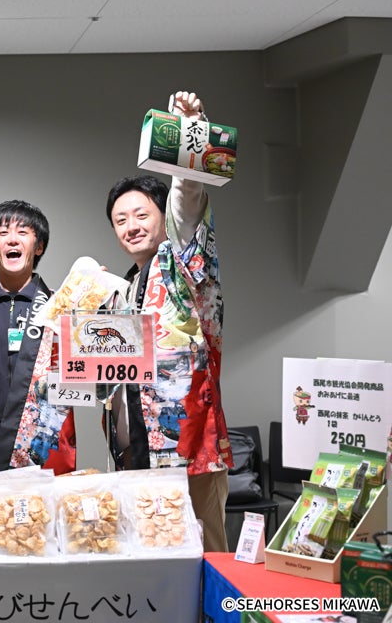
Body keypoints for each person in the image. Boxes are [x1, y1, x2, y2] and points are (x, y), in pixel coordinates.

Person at [105, 91, 232, 552]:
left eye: (141, 214)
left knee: (203, 555)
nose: (131, 226)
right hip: (133, 450)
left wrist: (187, 135)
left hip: (188, 447)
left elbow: (188, 202)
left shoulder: (181, 263)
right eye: (120, 220)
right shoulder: (122, 290)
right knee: (147, 562)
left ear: (163, 219)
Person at [0, 200, 76, 472]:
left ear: (38, 246)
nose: (12, 239)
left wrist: (97, 309)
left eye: (23, 232)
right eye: (3, 232)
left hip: (40, 452)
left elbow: (89, 379)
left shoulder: (61, 310)